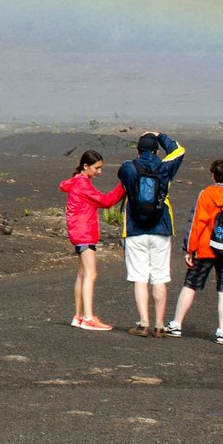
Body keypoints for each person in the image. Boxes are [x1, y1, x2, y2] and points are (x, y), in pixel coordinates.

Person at [165, 158, 223, 344]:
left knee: (190, 285)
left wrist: (189, 249)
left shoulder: (206, 194)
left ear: (213, 175)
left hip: (205, 248)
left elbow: (197, 222)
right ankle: (221, 330)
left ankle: (176, 324)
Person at [117, 130, 185, 336]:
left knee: (139, 277)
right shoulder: (165, 166)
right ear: (156, 150)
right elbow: (179, 151)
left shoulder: (128, 167)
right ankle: (159, 324)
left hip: (135, 228)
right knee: (160, 277)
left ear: (138, 150)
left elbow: (123, 181)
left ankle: (143, 323)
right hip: (161, 227)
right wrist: (162, 136)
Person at [59, 149, 124, 331]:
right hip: (84, 232)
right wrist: (123, 186)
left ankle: (79, 316)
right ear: (86, 166)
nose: (99, 172)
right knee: (91, 274)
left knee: (82, 274)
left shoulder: (77, 182)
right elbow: (105, 201)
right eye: (97, 168)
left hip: (78, 233)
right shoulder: (83, 185)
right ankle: (88, 318)